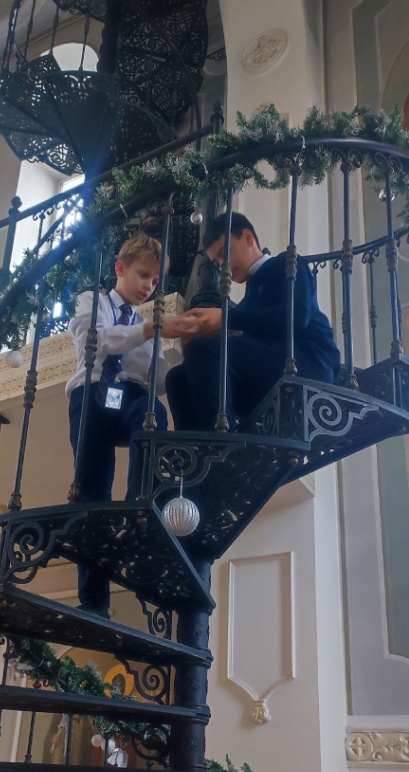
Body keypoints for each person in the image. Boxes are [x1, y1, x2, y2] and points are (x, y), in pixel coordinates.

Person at [66, 233, 195, 616]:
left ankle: (139, 503)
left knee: (151, 412)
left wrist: (194, 362)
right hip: (92, 395)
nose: (148, 287)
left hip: (128, 398)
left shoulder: (144, 325)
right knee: (91, 492)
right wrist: (152, 329)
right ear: (120, 268)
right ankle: (94, 601)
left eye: (154, 281)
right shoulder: (95, 302)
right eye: (143, 275)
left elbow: (157, 376)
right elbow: (96, 341)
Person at [165, 213, 340, 431]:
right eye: (217, 263)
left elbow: (297, 317)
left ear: (247, 237)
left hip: (310, 361)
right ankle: (197, 449)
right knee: (177, 378)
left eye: (225, 253)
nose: (223, 267)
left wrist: (226, 319)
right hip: (275, 370)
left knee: (203, 351)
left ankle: (220, 443)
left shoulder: (286, 263)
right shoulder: (249, 298)